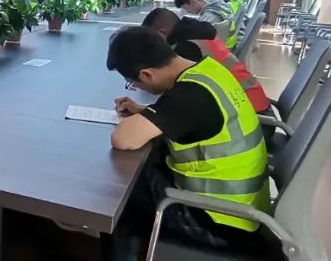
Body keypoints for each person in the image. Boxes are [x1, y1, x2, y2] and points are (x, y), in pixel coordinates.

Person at [105, 27, 270, 254]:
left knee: (121, 190)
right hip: (244, 209)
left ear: (147, 74)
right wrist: (145, 111)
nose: (135, 88)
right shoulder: (210, 70)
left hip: (217, 221)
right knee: (147, 164)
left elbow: (122, 139)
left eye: (133, 83)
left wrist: (146, 117)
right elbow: (191, 116)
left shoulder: (188, 96)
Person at [141, 8, 272, 121]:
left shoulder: (187, 48)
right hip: (254, 105)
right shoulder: (198, 35)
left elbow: (176, 96)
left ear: (162, 33)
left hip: (251, 119)